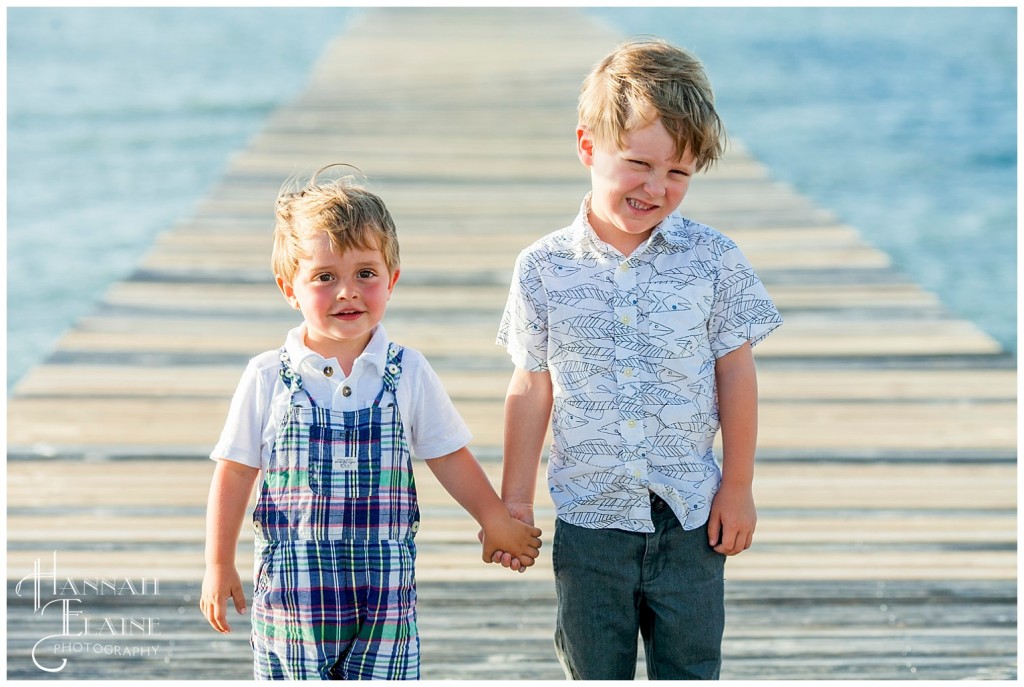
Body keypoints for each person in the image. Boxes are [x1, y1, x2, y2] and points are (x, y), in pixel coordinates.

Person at [494, 38, 783, 680]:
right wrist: (514, 501)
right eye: (639, 164)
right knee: (594, 670)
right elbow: (531, 384)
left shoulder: (714, 260)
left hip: (690, 515)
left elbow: (735, 373)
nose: (656, 187)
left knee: (690, 668)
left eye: (678, 173)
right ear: (588, 147)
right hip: (590, 519)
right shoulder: (543, 268)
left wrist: (737, 487)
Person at [200, 164, 542, 680]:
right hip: (295, 601)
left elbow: (448, 454)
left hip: (385, 599)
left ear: (391, 280)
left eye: (365, 273)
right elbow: (235, 470)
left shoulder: (407, 372)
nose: (348, 292)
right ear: (288, 288)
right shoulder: (269, 376)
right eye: (324, 277)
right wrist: (218, 563)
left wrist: (493, 518)